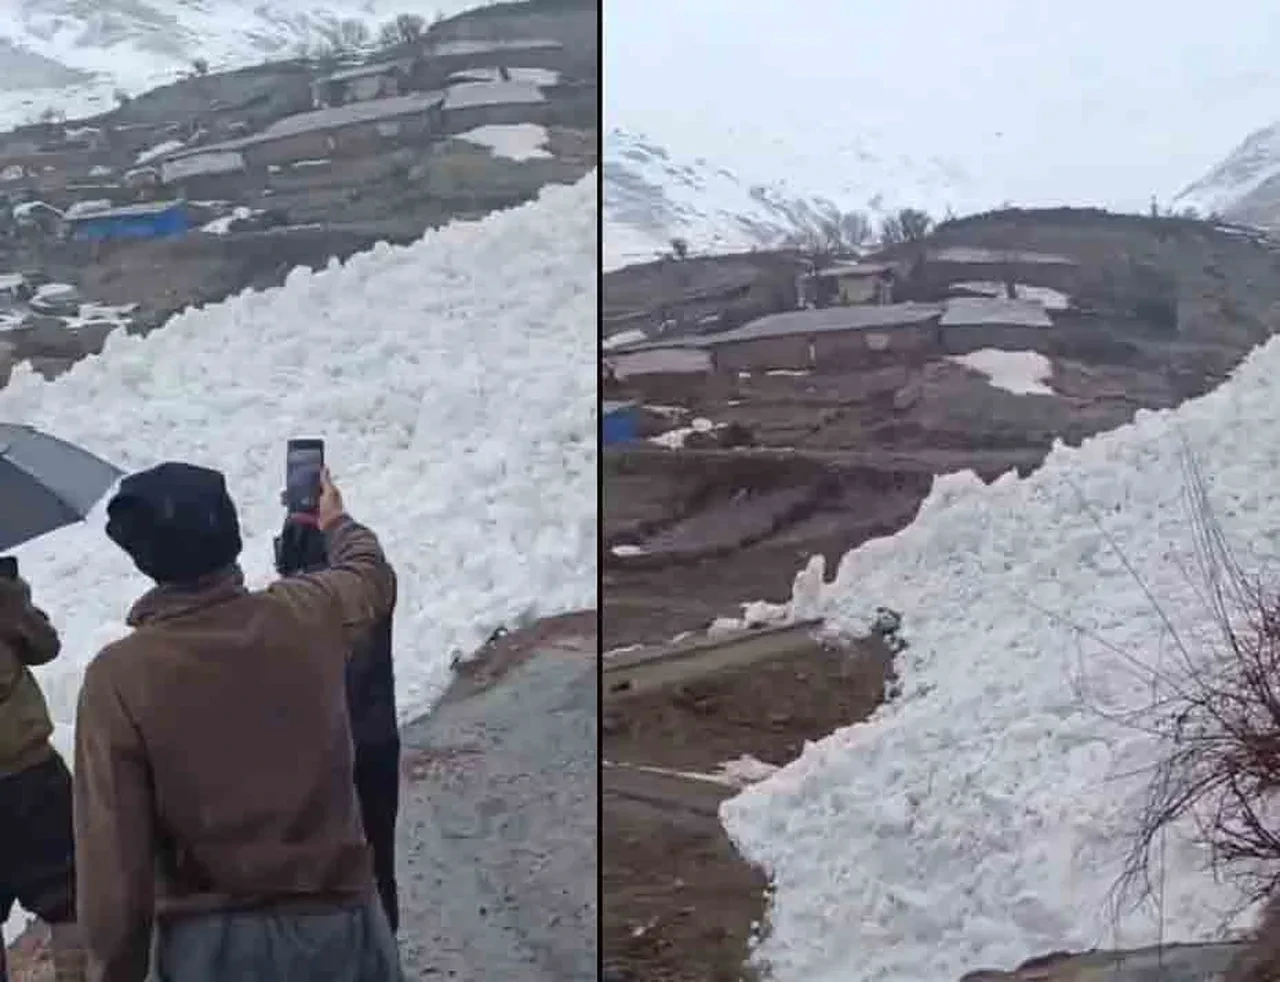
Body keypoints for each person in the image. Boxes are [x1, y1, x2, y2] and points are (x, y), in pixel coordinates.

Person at [73, 462, 400, 982]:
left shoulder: (119, 679)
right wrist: (336, 523)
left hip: (214, 949)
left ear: (142, 557)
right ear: (230, 532)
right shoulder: (308, 612)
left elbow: (114, 864)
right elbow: (370, 577)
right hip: (341, 925)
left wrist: (114, 971)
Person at [274, 512, 401, 934]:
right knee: (379, 861)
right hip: (376, 749)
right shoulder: (368, 597)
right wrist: (338, 521)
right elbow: (369, 565)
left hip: (320, 762)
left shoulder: (283, 617)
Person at [0, 571, 86, 982]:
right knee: (68, 897)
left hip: (29, 772)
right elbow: (44, 646)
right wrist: (12, 597)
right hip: (28, 773)